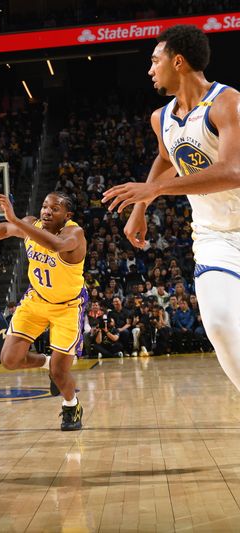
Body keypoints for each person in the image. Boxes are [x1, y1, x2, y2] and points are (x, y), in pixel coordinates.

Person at [103, 25, 240, 390]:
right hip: (214, 237)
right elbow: (166, 157)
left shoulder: (227, 101)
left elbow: (233, 171)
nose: (150, 70)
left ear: (177, 62)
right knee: (221, 326)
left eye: (155, 60)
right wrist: (141, 207)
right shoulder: (160, 118)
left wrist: (155, 189)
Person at [0, 192, 87, 431]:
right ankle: (48, 363)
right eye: (44, 206)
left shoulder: (74, 234)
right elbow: (4, 229)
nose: (47, 211)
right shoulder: (31, 224)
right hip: (36, 300)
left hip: (67, 307)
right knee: (9, 360)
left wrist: (16, 220)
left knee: (61, 374)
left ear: (67, 215)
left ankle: (71, 406)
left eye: (55, 209)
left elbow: (55, 245)